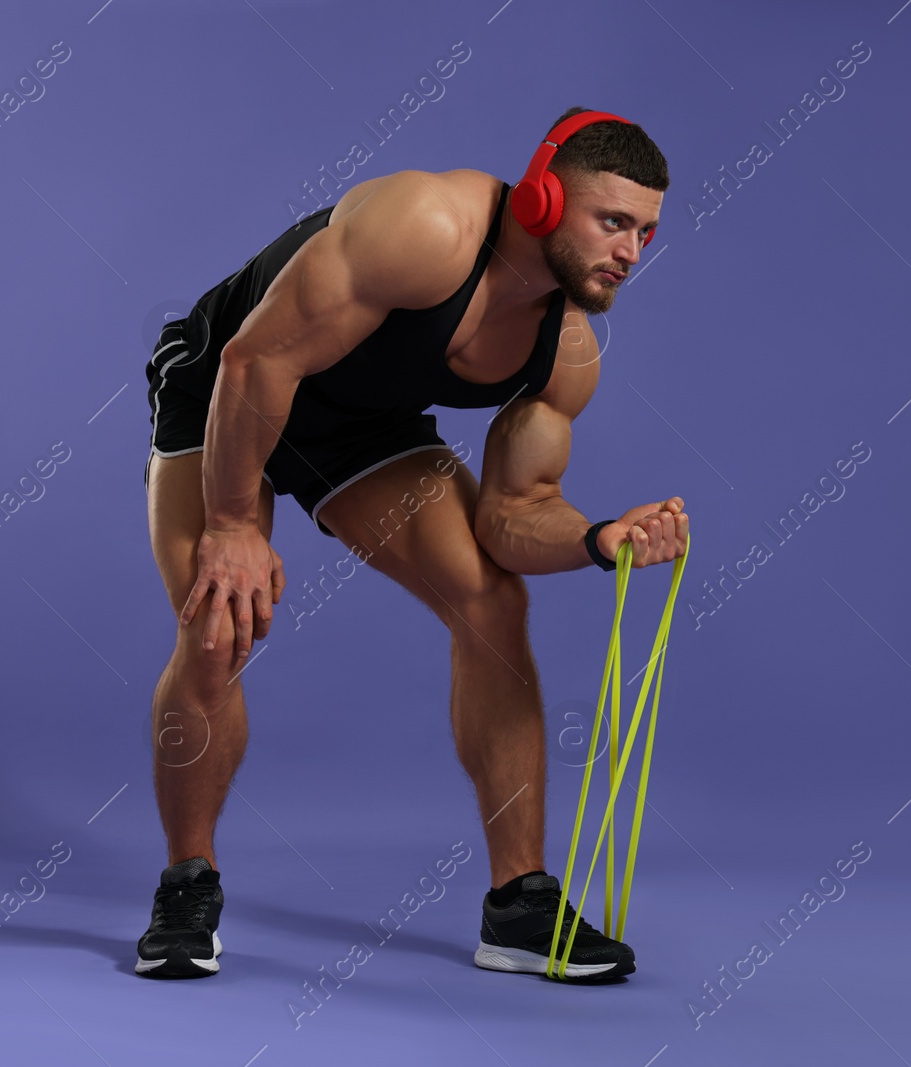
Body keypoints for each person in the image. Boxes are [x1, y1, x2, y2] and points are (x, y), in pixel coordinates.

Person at [136, 107, 687, 981]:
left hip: (356, 425)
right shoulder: (428, 229)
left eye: (646, 231)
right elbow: (256, 364)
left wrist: (595, 536)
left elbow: (511, 516)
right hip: (228, 385)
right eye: (612, 221)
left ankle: (519, 906)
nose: (630, 249)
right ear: (543, 198)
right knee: (219, 622)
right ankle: (186, 883)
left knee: (493, 599)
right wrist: (237, 526)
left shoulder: (566, 353)